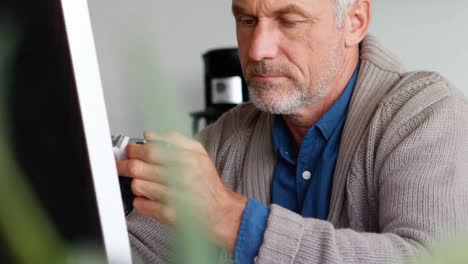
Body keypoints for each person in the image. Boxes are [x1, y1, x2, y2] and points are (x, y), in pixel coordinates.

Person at [117, 0, 468, 263]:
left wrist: (229, 217)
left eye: (289, 21)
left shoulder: (425, 113)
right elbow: (133, 253)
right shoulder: (225, 138)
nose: (256, 49)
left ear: (355, 22)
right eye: (246, 19)